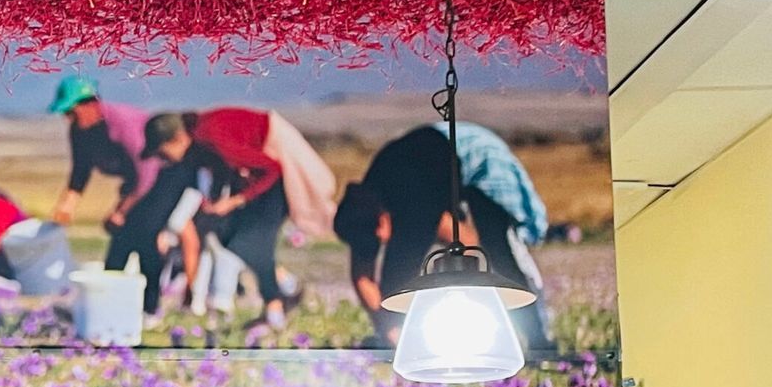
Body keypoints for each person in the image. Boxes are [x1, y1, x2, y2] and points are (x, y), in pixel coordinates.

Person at [334, 124, 550, 348]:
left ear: (381, 217)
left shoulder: (410, 197)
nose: (381, 237)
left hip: (474, 155)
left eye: (379, 232)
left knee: (500, 252)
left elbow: (464, 242)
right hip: (434, 161)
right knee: (403, 277)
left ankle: (537, 337)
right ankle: (527, 336)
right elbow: (363, 277)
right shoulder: (362, 213)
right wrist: (388, 329)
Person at [142, 107, 337, 331]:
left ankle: (276, 312)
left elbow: (271, 168)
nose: (164, 159)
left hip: (274, 179)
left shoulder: (210, 137)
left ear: (177, 139)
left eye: (163, 152)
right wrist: (217, 201)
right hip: (260, 181)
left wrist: (235, 200)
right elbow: (222, 168)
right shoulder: (199, 140)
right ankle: (285, 289)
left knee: (251, 242)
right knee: (231, 240)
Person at [103, 113, 219, 320]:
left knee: (156, 257)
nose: (160, 157)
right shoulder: (170, 165)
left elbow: (188, 231)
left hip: (179, 219)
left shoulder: (192, 164)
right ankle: (115, 305)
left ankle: (185, 301)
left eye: (161, 151)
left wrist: (168, 230)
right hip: (153, 222)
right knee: (130, 255)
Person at [46, 76, 154, 227]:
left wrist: (121, 211)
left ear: (91, 104)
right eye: (66, 114)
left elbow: (147, 175)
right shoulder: (79, 130)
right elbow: (80, 172)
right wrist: (65, 209)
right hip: (134, 187)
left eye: (72, 113)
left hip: (163, 180)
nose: (68, 119)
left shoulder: (124, 124)